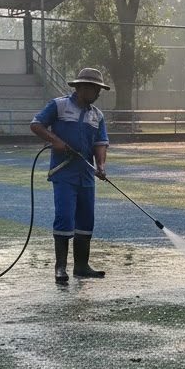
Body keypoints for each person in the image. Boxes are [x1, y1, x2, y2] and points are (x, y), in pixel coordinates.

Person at [29, 68, 111, 284]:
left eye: (98, 89)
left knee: (86, 220)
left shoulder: (97, 115)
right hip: (63, 172)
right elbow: (36, 124)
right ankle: (60, 267)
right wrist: (55, 140)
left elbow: (100, 143)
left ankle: (82, 266)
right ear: (81, 87)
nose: (97, 93)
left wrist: (101, 165)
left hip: (86, 175)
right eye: (95, 88)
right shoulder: (59, 105)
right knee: (65, 217)